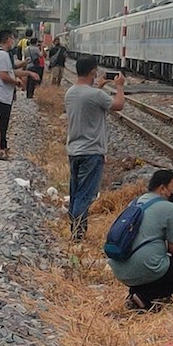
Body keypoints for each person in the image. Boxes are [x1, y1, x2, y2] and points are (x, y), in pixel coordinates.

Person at [108, 169, 173, 310]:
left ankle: (136, 295)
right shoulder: (168, 208)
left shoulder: (135, 202)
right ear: (162, 188)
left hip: (120, 268)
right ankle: (144, 296)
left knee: (161, 265)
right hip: (145, 266)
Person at [64, 55, 125, 240]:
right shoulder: (95, 95)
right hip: (92, 151)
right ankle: (78, 235)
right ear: (93, 71)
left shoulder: (71, 92)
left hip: (74, 150)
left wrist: (99, 85)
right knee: (85, 195)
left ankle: (74, 229)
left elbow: (88, 100)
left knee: (75, 192)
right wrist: (119, 86)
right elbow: (118, 105)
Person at [0, 29, 40, 160]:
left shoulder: (1, 54)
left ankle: (1, 147)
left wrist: (28, 73)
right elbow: (4, 76)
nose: (14, 41)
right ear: (8, 40)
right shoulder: (2, 55)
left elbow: (11, 72)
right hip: (0, 93)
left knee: (2, 122)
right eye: (13, 38)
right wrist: (16, 82)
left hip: (3, 94)